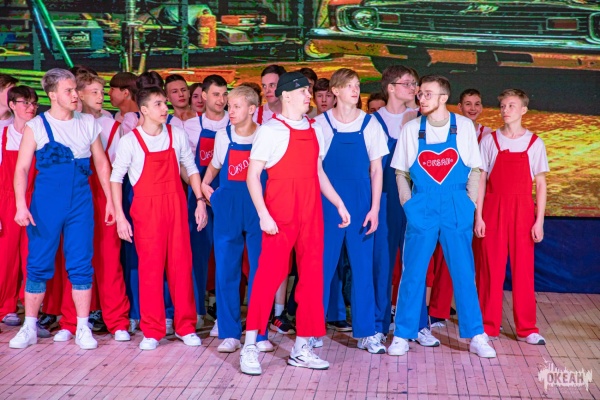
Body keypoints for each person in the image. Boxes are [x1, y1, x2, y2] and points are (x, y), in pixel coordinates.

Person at [241, 72, 350, 375]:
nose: (309, 96)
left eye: (309, 91)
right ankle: (250, 346)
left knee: (313, 280)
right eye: (304, 91)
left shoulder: (316, 130)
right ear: (286, 95)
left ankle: (302, 348)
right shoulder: (270, 131)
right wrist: (263, 214)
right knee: (267, 278)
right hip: (279, 215)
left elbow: (318, 172)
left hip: (311, 214)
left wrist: (338, 202)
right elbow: (252, 176)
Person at [388, 75, 496, 359]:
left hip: (456, 205)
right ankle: (402, 334)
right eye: (420, 93)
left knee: (463, 273)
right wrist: (409, 206)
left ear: (443, 98)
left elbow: (475, 169)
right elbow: (401, 172)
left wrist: (468, 204)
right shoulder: (412, 128)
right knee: (413, 273)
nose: (421, 98)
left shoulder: (464, 126)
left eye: (427, 94)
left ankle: (476, 335)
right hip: (422, 205)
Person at [9, 68, 114, 350]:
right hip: (45, 205)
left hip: (80, 202)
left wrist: (110, 200)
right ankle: (29, 327)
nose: (75, 95)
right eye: (68, 90)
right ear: (53, 94)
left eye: (75, 89)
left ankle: (82, 327)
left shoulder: (88, 123)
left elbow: (101, 163)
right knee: (38, 262)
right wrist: (20, 205)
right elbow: (21, 168)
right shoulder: (37, 126)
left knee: (81, 263)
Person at [110, 86, 205, 350]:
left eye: (165, 103)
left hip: (176, 207)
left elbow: (190, 168)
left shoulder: (177, 134)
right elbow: (116, 178)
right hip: (145, 211)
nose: (165, 108)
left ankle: (185, 327)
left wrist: (199, 200)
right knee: (150, 271)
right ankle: (152, 331)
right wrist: (120, 217)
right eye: (158, 104)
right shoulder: (130, 141)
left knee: (181, 268)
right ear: (144, 110)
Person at [43, 72, 131, 343]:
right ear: (78, 94)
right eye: (94, 92)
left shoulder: (111, 126)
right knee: (74, 258)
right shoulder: (65, 122)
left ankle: (117, 321)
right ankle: (70, 321)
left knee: (108, 259)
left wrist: (114, 203)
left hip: (103, 193)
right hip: (75, 192)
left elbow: (113, 168)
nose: (101, 96)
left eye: (102, 92)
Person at [314, 68, 388, 354]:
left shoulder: (370, 124)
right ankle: (312, 331)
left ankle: (367, 332)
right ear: (335, 90)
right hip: (328, 202)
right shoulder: (319, 124)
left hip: (361, 203)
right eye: (349, 86)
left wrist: (375, 208)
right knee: (322, 268)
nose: (355, 90)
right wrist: (333, 203)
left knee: (362, 268)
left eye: (357, 85)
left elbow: (376, 170)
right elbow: (316, 169)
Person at [200, 85, 273, 353]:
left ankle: (259, 333)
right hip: (228, 208)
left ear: (252, 109)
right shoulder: (223, 136)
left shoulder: (266, 135)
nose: (230, 110)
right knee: (226, 270)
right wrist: (204, 187)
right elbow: (214, 166)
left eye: (236, 106)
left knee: (260, 272)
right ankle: (229, 333)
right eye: (229, 106)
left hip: (257, 208)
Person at [371, 65, 438, 346]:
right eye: (408, 83)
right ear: (391, 88)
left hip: (415, 200)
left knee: (415, 263)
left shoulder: (422, 120)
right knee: (382, 264)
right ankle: (378, 325)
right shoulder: (372, 121)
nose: (414, 88)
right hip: (385, 200)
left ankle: (418, 324)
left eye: (415, 84)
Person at [476, 89, 548, 345]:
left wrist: (539, 221)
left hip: (523, 211)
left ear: (523, 110)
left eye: (511, 106)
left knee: (523, 271)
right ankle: (488, 325)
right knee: (490, 270)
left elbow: (541, 184)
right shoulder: (489, 141)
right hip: (493, 209)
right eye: (503, 106)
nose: (505, 110)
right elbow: (481, 180)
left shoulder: (535, 143)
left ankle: (527, 328)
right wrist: (479, 216)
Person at [183, 74, 230, 335]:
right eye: (215, 94)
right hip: (198, 197)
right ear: (203, 95)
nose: (221, 100)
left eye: (224, 94)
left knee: (227, 256)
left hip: (228, 197)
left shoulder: (235, 122)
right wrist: (200, 192)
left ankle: (224, 314)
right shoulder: (190, 126)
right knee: (197, 256)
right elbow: (184, 165)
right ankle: (198, 311)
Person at [0, 85, 38, 328]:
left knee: (32, 255)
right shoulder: (2, 134)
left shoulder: (41, 133)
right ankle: (6, 307)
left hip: (35, 199)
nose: (31, 107)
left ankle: (33, 306)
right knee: (6, 257)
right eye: (25, 102)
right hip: (6, 200)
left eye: (34, 103)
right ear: (12, 105)